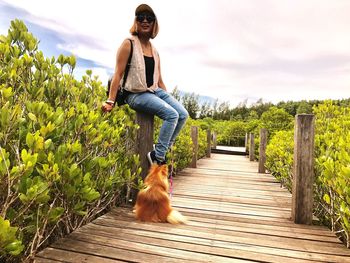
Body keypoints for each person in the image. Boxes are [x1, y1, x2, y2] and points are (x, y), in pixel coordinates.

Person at [101, 4, 188, 166]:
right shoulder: (129, 44)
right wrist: (110, 101)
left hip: (154, 91)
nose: (145, 21)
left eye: (149, 18)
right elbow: (118, 74)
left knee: (182, 114)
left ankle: (160, 149)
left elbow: (159, 79)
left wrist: (167, 99)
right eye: (141, 17)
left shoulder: (155, 51)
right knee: (172, 115)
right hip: (135, 94)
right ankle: (158, 157)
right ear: (136, 22)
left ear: (154, 23)